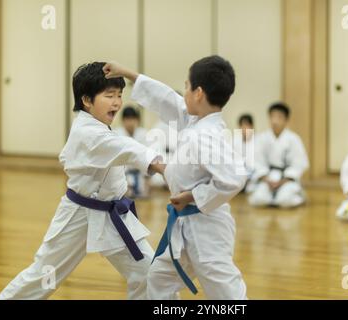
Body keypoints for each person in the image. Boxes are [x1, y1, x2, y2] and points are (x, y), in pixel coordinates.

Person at [0, 62, 165, 300]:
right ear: (87, 100)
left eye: (119, 95)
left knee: (150, 273)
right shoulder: (88, 132)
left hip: (113, 215)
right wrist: (164, 167)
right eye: (109, 95)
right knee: (45, 276)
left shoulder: (100, 128)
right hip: (78, 213)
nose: (117, 102)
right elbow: (127, 149)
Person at [103, 55, 248, 300]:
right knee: (158, 280)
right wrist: (127, 73)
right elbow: (167, 100)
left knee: (227, 294)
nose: (183, 93)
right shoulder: (196, 121)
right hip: (186, 227)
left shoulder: (206, 135)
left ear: (198, 93)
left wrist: (193, 195)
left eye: (186, 86)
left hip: (207, 230)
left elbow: (234, 179)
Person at [248, 103, 309, 208]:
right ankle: (272, 198)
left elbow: (299, 163)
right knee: (259, 199)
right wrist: (265, 178)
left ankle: (298, 196)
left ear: (286, 120)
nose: (275, 121)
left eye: (279, 117)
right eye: (272, 117)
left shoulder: (294, 139)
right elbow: (256, 161)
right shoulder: (262, 138)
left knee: (284, 201)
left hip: (286, 178)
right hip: (268, 177)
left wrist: (284, 180)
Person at [115, 106, 149, 197]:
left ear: (137, 120)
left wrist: (147, 181)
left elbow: (146, 157)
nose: (130, 122)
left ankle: (140, 187)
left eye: (133, 119)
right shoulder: (117, 134)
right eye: (127, 119)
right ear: (123, 121)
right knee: (127, 193)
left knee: (144, 193)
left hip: (139, 171)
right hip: (123, 173)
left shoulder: (143, 133)